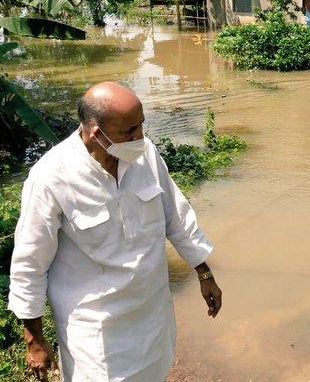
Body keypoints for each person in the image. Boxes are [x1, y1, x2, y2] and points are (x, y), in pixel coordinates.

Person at [8, 81, 222, 381]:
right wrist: (34, 340)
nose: (141, 137)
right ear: (96, 134)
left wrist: (204, 272)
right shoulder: (51, 178)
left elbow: (177, 215)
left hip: (151, 312)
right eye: (130, 131)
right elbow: (30, 264)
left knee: (155, 371)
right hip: (98, 329)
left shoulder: (144, 154)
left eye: (141, 126)